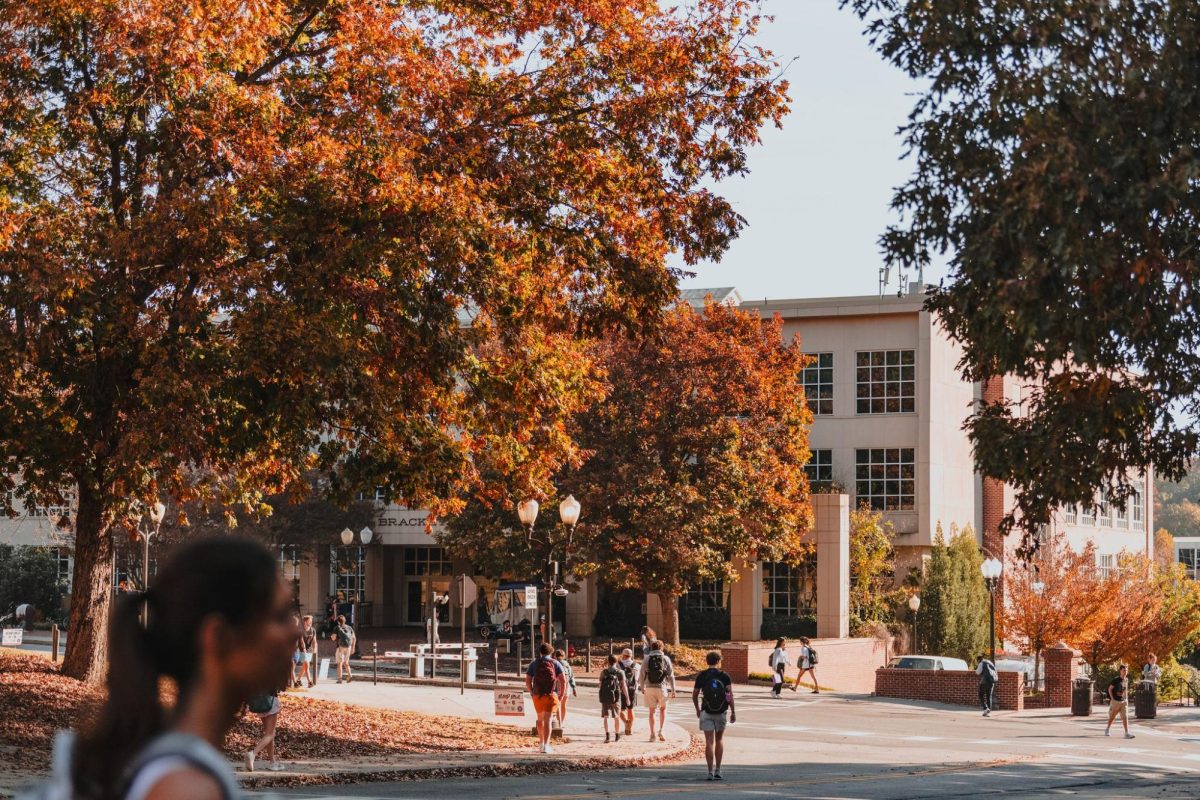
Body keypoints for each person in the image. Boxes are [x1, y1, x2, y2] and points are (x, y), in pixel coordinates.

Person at [25, 537, 294, 800]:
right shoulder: (185, 787)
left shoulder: (170, 763)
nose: (297, 631)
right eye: (280, 616)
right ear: (218, 637)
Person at [693, 650, 735, 781]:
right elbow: (729, 695)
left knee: (709, 742)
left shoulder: (702, 675)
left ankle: (709, 772)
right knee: (719, 740)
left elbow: (694, 694)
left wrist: (698, 709)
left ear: (707, 661)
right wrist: (733, 711)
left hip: (706, 710)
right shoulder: (724, 676)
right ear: (718, 661)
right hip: (721, 711)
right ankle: (718, 770)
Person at [525, 642, 565, 753]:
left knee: (539, 719)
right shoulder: (555, 663)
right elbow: (563, 680)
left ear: (540, 652)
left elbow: (528, 680)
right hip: (551, 694)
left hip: (537, 695)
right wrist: (561, 693)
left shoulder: (534, 663)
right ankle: (547, 745)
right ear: (551, 652)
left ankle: (541, 743)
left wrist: (532, 692)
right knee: (548, 720)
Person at [638, 639, 677, 742]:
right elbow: (671, 675)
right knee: (663, 709)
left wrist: (642, 687)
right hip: (662, 687)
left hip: (649, 688)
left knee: (652, 712)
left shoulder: (647, 658)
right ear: (661, 648)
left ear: (652, 648)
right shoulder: (666, 658)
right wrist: (673, 689)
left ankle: (652, 735)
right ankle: (662, 730)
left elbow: (641, 674)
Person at [244, 687, 284, 772]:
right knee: (270, 734)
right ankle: (253, 754)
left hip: (260, 702)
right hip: (271, 701)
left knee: (269, 734)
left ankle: (272, 762)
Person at [598, 655, 631, 743]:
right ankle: (616, 736)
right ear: (616, 662)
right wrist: (627, 698)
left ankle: (607, 736)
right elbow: (624, 686)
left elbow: (600, 685)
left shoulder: (603, 672)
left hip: (605, 696)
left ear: (608, 662)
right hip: (616, 697)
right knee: (616, 716)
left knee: (606, 716)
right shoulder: (620, 672)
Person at [1104, 664, 1135, 739]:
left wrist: (1126, 699)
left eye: (1126, 670)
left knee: (1125, 717)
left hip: (1123, 702)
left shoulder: (1126, 679)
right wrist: (1112, 698)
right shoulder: (1116, 680)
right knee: (1112, 717)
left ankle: (1126, 733)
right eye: (1124, 670)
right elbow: (1110, 689)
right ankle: (1107, 729)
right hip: (1115, 701)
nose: (1125, 672)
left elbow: (1125, 690)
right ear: (1120, 671)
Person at [552, 648, 578, 730]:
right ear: (563, 656)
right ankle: (562, 722)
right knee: (563, 705)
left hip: (556, 686)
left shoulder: (554, 664)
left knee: (557, 704)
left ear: (555, 656)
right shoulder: (567, 665)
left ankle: (558, 722)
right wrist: (574, 688)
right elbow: (571, 677)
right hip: (566, 686)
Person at [618, 647, 640, 736]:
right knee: (631, 709)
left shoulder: (618, 665)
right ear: (631, 656)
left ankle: (625, 722)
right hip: (633, 690)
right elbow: (639, 679)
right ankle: (629, 729)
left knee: (622, 710)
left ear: (623, 655)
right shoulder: (637, 666)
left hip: (621, 689)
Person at [331, 614, 356, 683]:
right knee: (346, 662)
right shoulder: (349, 627)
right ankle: (350, 675)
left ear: (338, 622)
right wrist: (353, 648)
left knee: (339, 663)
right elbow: (354, 638)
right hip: (348, 647)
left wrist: (331, 637)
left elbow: (334, 638)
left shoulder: (337, 627)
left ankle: (340, 679)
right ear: (344, 620)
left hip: (340, 647)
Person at [296, 615, 317, 688]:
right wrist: (304, 649)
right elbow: (301, 641)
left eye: (311, 621)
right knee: (307, 665)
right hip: (302, 650)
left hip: (309, 650)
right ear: (305, 621)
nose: (311, 622)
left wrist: (315, 649)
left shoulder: (313, 630)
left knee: (304, 667)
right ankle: (309, 682)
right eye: (309, 621)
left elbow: (314, 641)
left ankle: (297, 680)